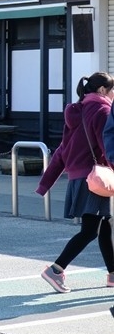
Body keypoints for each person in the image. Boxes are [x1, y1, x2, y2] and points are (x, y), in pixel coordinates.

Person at [36, 71, 114, 294]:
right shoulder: (102, 111)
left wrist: (45, 183)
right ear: (103, 90)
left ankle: (113, 274)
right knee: (90, 230)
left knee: (105, 225)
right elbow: (108, 146)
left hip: (81, 178)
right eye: (112, 90)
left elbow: (62, 150)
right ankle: (56, 270)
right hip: (96, 179)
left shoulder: (76, 111)